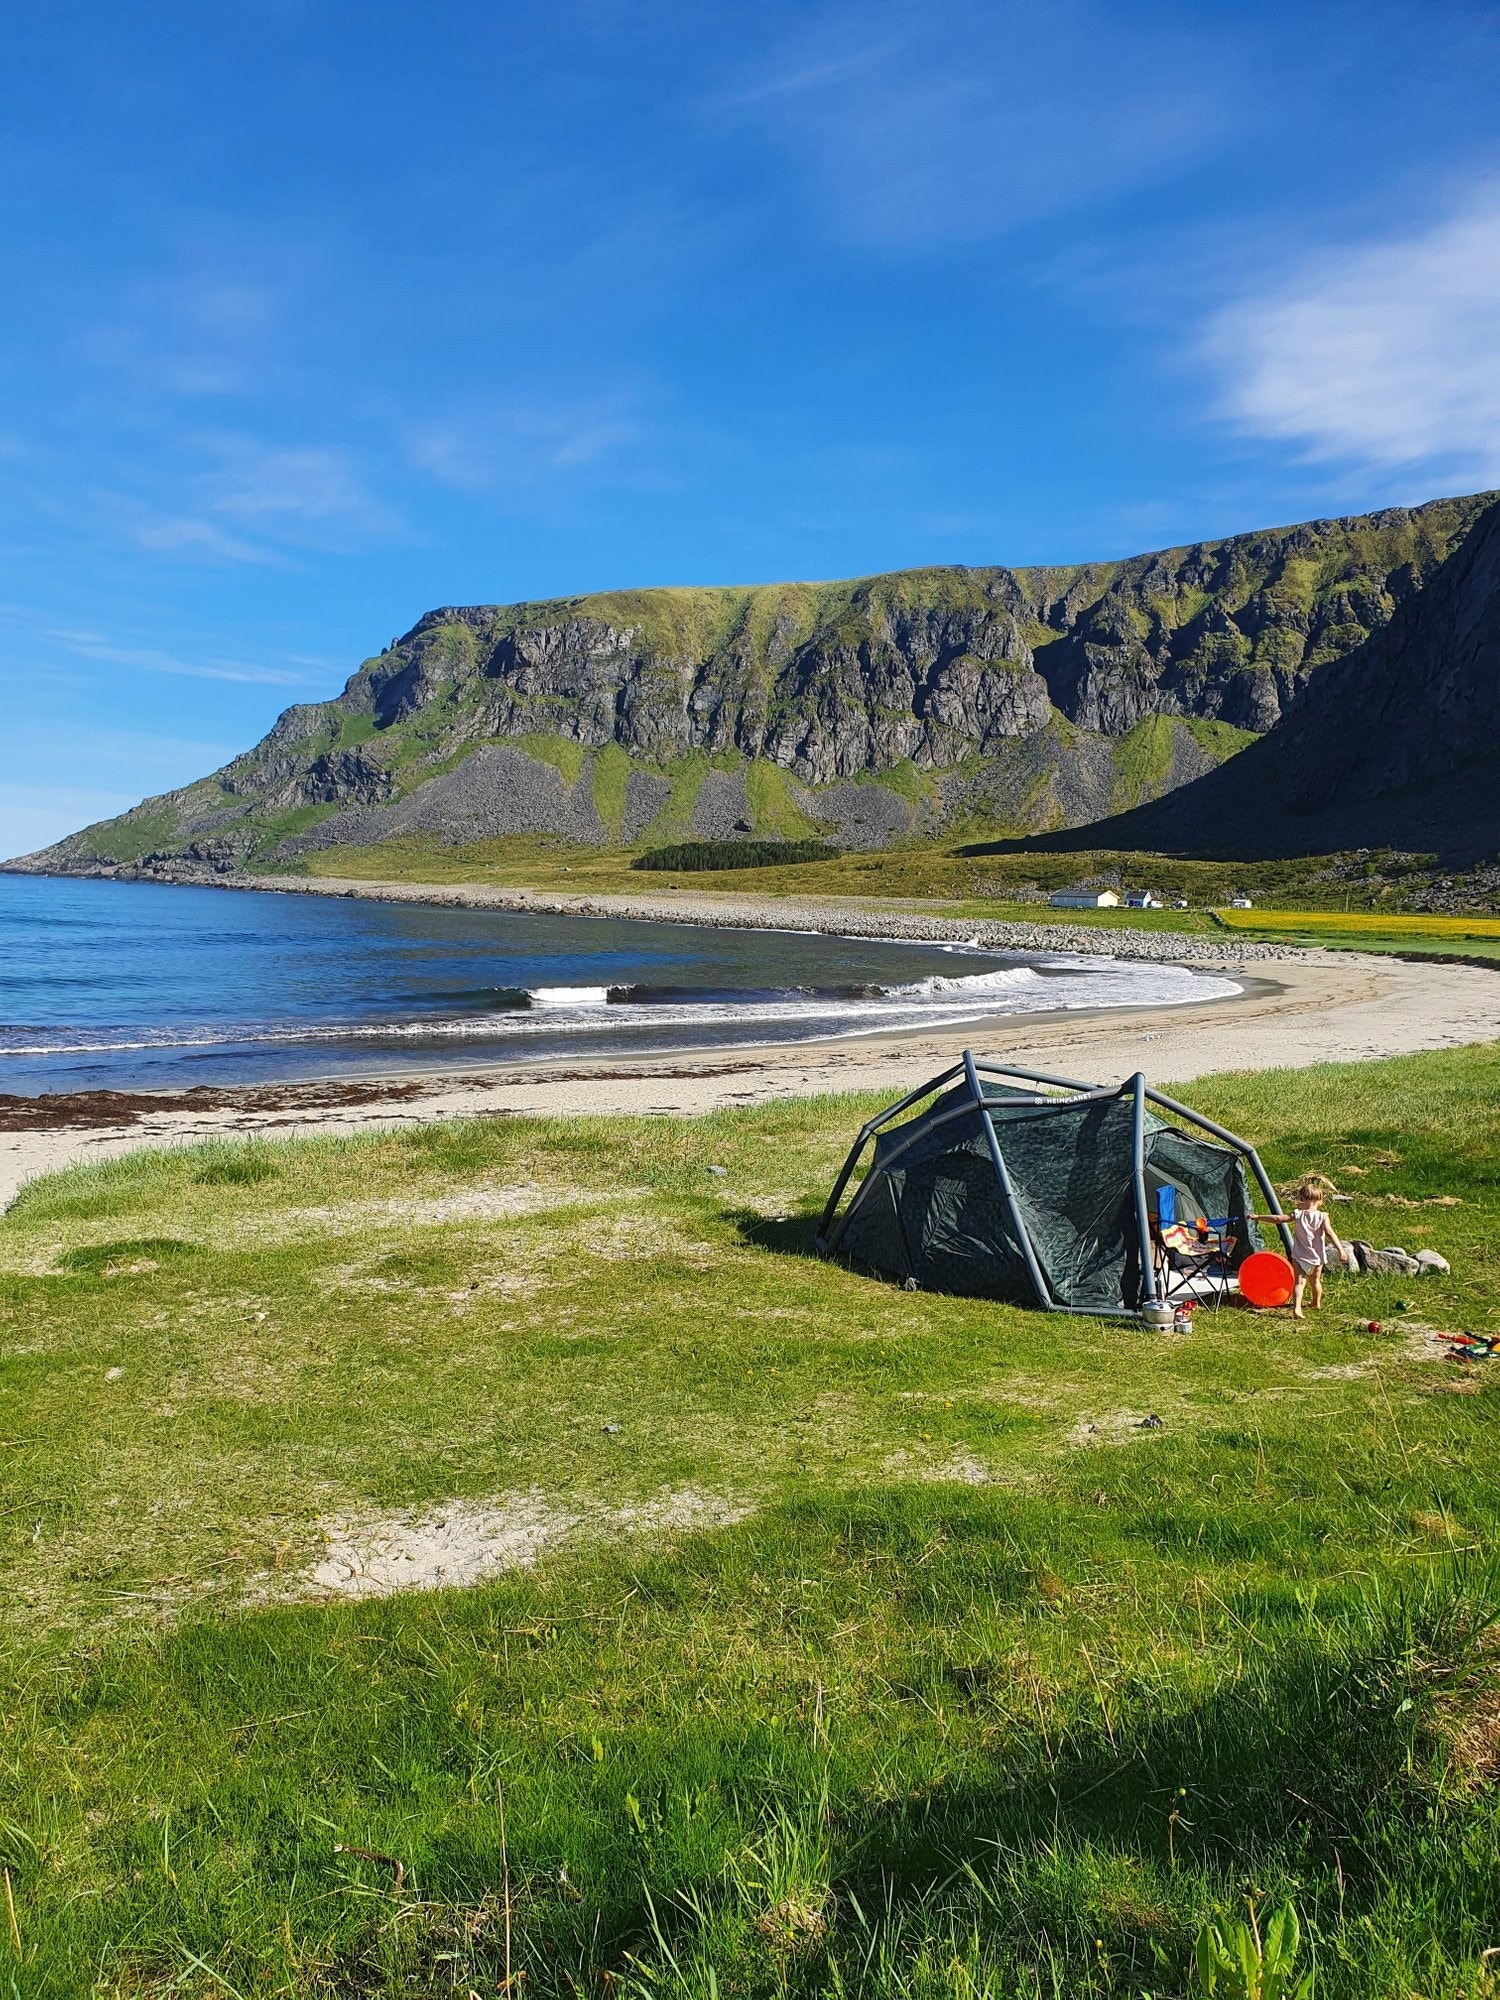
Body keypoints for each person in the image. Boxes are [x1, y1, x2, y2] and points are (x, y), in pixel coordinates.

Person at [1253, 1175, 1346, 1319]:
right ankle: (1316, 1303)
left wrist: (1259, 1216)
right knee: (1315, 1281)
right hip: (1317, 1257)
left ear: (1302, 1200)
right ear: (1320, 1201)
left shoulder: (1298, 1214)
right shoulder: (1323, 1216)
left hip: (1300, 1255)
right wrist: (1341, 1250)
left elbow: (1278, 1219)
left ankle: (1297, 1308)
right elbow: (1329, 1233)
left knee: (1299, 1283)